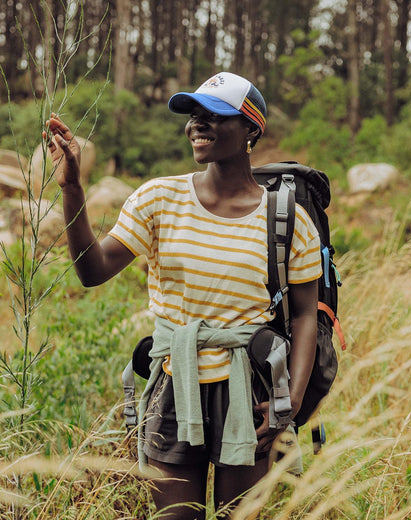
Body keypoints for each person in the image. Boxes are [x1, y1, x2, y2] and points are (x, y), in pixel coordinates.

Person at [44, 71, 321, 520]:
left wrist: (288, 404)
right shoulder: (159, 198)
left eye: (215, 115)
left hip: (247, 389)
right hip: (173, 384)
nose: (198, 123)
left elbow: (306, 316)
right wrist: (72, 186)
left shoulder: (285, 218)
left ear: (251, 129)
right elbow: (92, 271)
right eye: (194, 114)